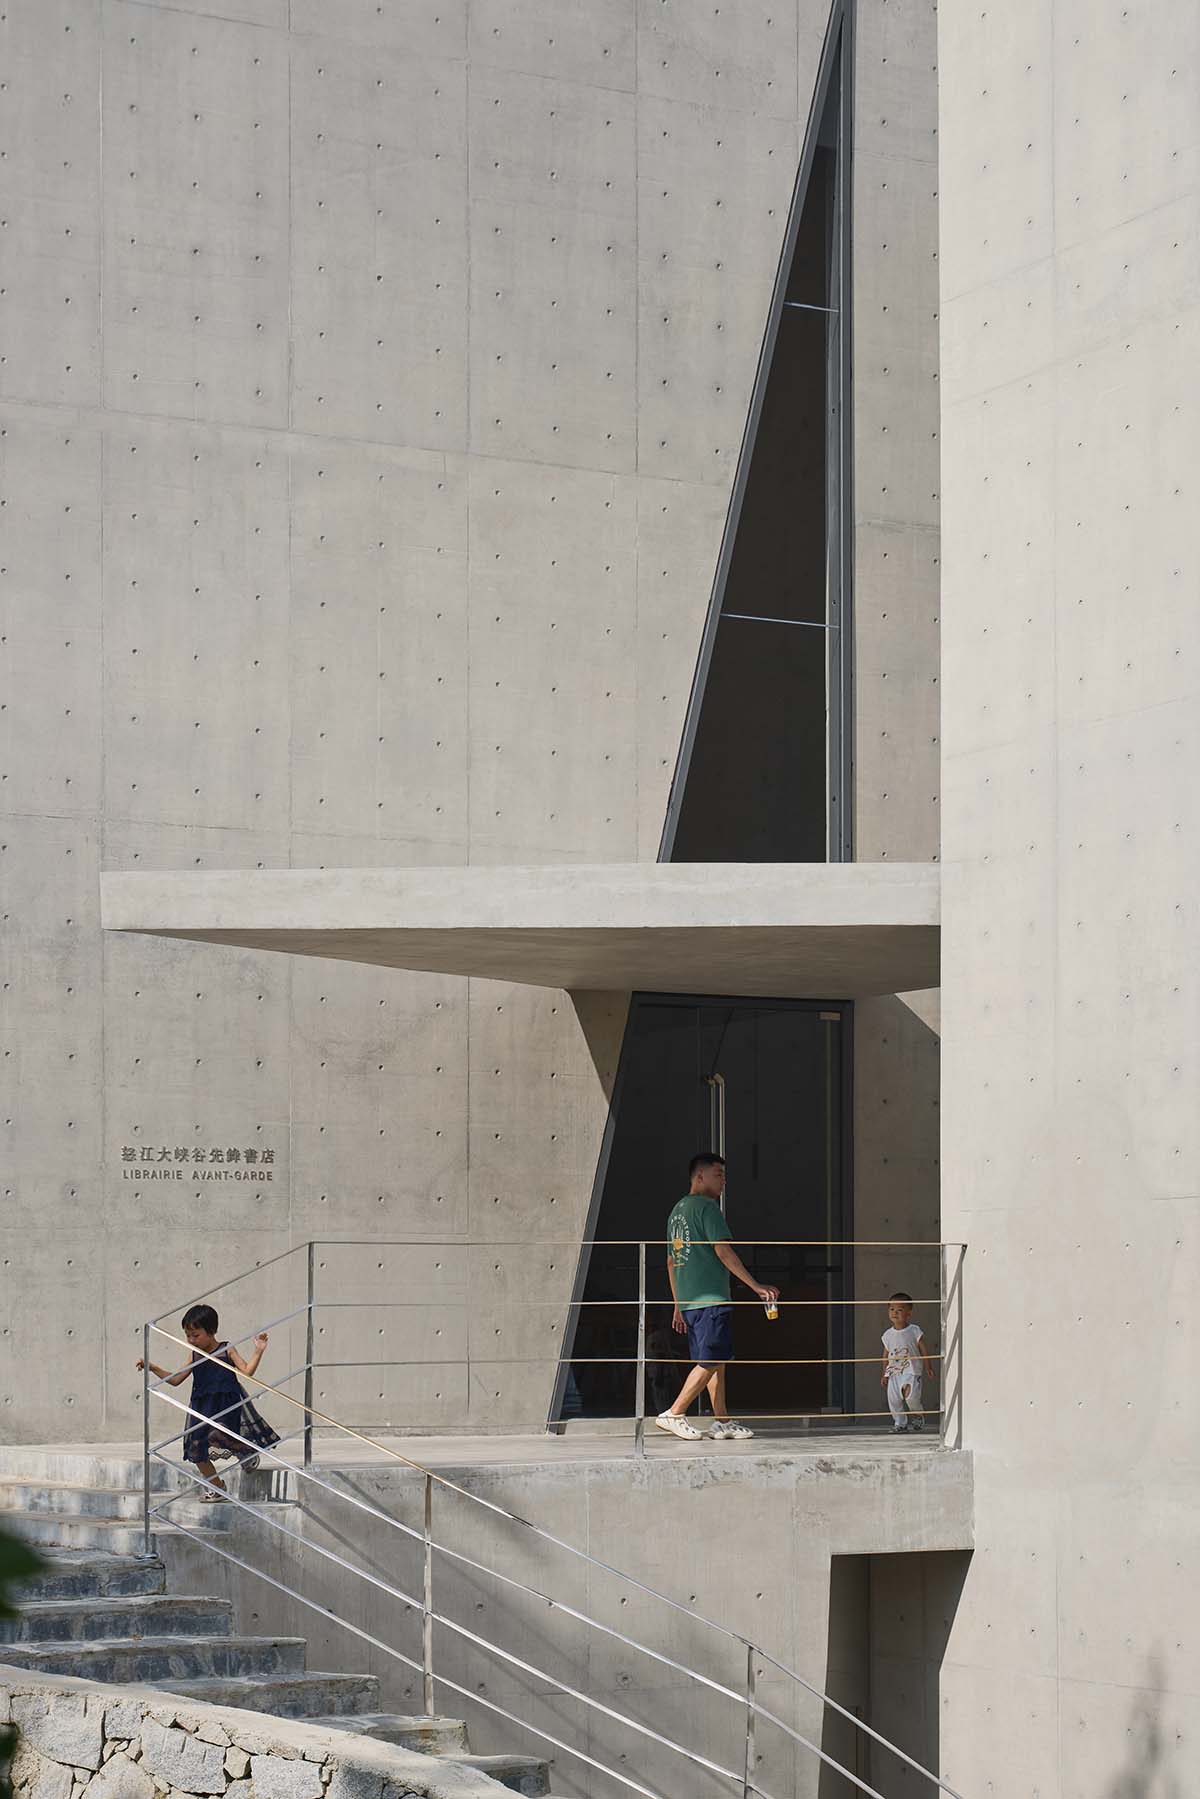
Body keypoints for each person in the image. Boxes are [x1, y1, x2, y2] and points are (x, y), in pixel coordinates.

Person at [654, 1152, 780, 1442]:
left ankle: (721, 1420)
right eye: (718, 1174)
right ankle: (675, 1412)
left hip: (690, 1302)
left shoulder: (677, 1211)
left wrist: (677, 1304)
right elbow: (723, 1251)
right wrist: (756, 1286)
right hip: (711, 1299)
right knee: (713, 1358)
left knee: (714, 1361)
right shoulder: (706, 1208)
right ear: (699, 1176)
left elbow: (672, 1261)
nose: (724, 1181)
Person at [136, 1303, 279, 1500]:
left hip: (224, 1403)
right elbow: (176, 1379)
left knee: (218, 1434)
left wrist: (258, 1350)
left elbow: (247, 1371)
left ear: (211, 1331)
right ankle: (217, 1487)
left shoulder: (226, 1350)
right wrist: (153, 1367)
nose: (191, 1340)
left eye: (196, 1335)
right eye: (188, 1335)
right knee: (196, 1450)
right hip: (201, 1406)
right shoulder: (195, 1354)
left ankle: (246, 1451)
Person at [880, 1291, 935, 1433]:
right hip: (893, 1372)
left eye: (900, 1310)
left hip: (911, 1370)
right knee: (894, 1399)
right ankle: (900, 1424)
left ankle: (917, 1414)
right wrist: (884, 1374)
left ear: (908, 1314)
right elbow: (885, 1355)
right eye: (892, 1309)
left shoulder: (914, 1330)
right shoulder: (887, 1335)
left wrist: (928, 1366)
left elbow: (923, 1349)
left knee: (910, 1397)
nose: (895, 1313)